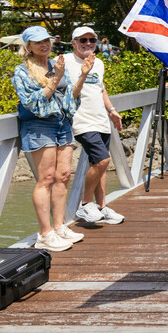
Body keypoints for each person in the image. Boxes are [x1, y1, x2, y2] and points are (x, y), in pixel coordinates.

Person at [13, 26, 91, 252]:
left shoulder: (54, 65)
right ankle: (45, 234)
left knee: (63, 176)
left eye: (47, 41)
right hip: (39, 124)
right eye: (38, 42)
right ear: (28, 46)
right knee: (45, 178)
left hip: (62, 122)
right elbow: (33, 104)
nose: (44, 45)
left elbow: (69, 100)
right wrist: (55, 78)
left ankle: (59, 227)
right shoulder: (22, 71)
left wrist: (83, 75)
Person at [65, 27, 125, 225]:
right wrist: (83, 74)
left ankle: (101, 207)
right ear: (74, 42)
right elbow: (68, 94)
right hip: (81, 120)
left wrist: (112, 110)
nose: (88, 44)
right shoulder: (65, 61)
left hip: (101, 119)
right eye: (83, 40)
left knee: (98, 165)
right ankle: (85, 204)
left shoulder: (98, 63)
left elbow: (101, 89)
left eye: (92, 40)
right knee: (102, 160)